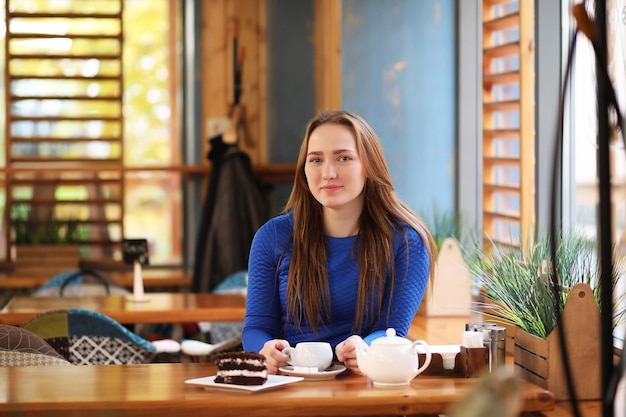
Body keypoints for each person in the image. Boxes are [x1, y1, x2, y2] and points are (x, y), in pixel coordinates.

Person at [242, 110, 437, 375]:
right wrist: (264, 349)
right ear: (304, 170)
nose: (328, 173)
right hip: (289, 385)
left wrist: (366, 347)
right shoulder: (272, 237)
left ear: (369, 165)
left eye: (343, 158)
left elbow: (392, 330)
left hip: (365, 384)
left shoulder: (407, 241)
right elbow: (256, 327)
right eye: (316, 160)